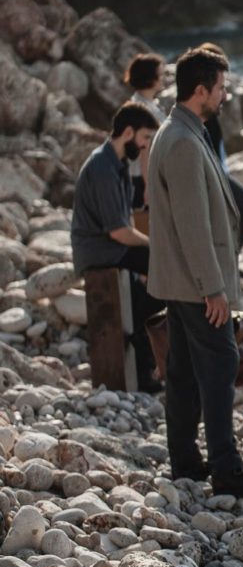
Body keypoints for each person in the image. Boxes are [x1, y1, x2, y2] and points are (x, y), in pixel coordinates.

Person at [147, 46, 243, 497]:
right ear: (200, 89)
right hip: (195, 283)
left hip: (179, 282)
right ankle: (226, 466)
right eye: (221, 88)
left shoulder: (180, 130)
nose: (225, 96)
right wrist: (214, 288)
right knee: (221, 364)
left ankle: (185, 461)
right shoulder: (182, 141)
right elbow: (192, 225)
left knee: (182, 372)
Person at [71, 101, 164, 392]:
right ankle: (142, 340)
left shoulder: (118, 163)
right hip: (98, 250)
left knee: (142, 291)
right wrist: (154, 246)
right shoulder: (102, 166)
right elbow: (119, 232)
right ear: (128, 132)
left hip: (108, 245)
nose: (147, 145)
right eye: (145, 138)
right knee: (161, 264)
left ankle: (143, 360)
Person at [196, 41, 243, 247]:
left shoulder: (211, 110)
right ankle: (231, 258)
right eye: (221, 86)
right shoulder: (202, 111)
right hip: (213, 176)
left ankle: (231, 258)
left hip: (219, 173)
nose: (225, 93)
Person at [124, 53, 166, 208]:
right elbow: (145, 151)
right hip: (141, 179)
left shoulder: (151, 104)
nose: (163, 78)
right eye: (160, 75)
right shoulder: (142, 109)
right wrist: (149, 186)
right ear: (150, 77)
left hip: (149, 176)